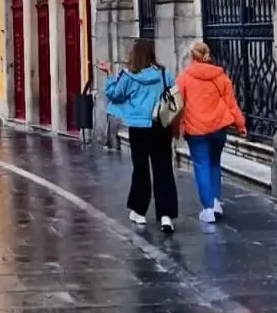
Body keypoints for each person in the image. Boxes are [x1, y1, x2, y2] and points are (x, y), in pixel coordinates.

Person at [98, 41, 178, 233]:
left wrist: (109, 74)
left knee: (141, 169)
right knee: (164, 169)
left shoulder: (129, 76)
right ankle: (166, 216)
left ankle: (139, 211)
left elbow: (114, 95)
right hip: (160, 126)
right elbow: (173, 93)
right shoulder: (164, 74)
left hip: (138, 127)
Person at [176, 40, 247, 225]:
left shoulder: (183, 78)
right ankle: (216, 202)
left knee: (201, 166)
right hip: (218, 128)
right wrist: (240, 125)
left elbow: (176, 107)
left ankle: (207, 209)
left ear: (192, 57)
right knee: (215, 164)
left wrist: (175, 131)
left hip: (196, 130)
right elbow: (232, 104)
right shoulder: (220, 77)